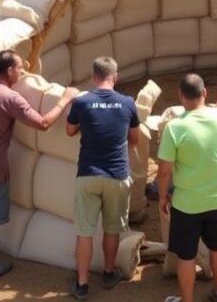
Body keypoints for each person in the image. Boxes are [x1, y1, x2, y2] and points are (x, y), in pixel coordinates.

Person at [0, 50, 78, 282]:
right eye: (20, 68)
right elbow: (43, 123)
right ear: (9, 70)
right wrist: (65, 99)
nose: (22, 72)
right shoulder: (10, 98)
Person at [157, 74, 217, 302]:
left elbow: (164, 171)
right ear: (205, 93)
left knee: (186, 256)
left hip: (187, 205)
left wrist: (163, 196)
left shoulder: (174, 127)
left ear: (180, 96)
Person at [66, 57, 140, 300]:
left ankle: (83, 283)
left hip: (88, 174)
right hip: (117, 175)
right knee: (111, 229)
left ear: (92, 75)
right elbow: (135, 138)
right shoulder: (128, 103)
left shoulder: (81, 101)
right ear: (115, 76)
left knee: (84, 233)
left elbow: (69, 130)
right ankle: (109, 273)